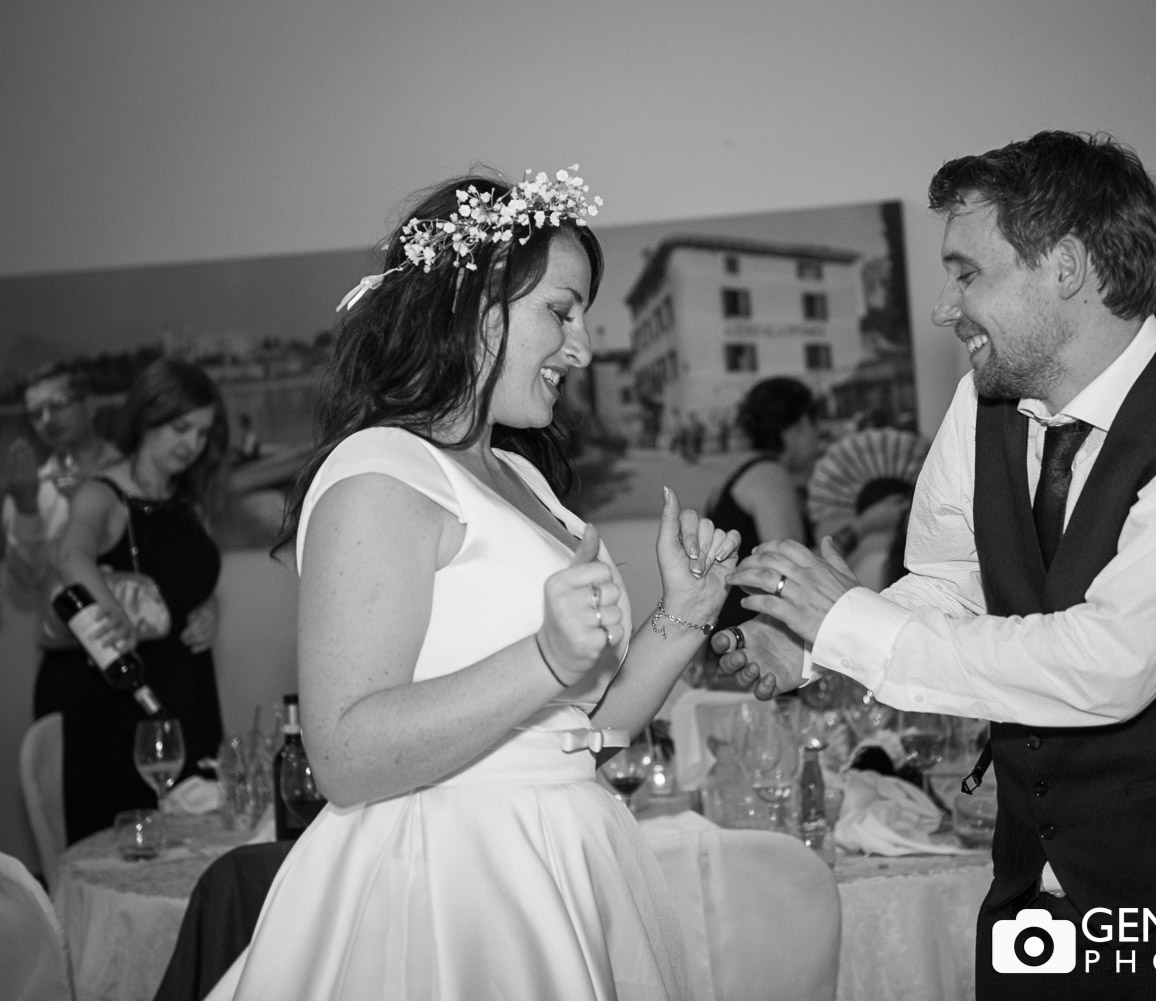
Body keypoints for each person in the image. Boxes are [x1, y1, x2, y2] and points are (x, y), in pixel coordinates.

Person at [718, 131, 1156, 999]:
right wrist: (817, 642)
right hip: (1032, 889)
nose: (944, 307)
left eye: (968, 273)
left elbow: (1112, 663)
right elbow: (951, 579)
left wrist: (848, 622)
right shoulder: (986, 395)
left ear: (1066, 267)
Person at [206, 167, 738, 1001]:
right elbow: (343, 756)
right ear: (475, 305)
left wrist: (684, 615)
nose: (583, 348)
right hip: (447, 882)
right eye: (561, 312)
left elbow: (581, 734)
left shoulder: (526, 482)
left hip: (564, 856)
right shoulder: (379, 471)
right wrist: (545, 658)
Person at [50, 358, 228, 842]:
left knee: (198, 844)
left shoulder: (188, 502)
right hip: (120, 705)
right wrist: (111, 610)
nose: (192, 445)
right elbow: (71, 555)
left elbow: (189, 583)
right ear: (146, 418)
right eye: (180, 428)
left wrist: (209, 611)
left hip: (189, 692)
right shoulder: (102, 492)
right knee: (127, 849)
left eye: (202, 433)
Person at [2, 363, 122, 718]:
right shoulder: (31, 487)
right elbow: (24, 584)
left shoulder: (131, 474)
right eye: (35, 414)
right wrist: (25, 508)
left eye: (58, 404)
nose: (47, 419)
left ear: (90, 405)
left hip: (136, 649)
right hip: (65, 662)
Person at [704, 375, 819, 629]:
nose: (816, 437)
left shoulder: (736, 471)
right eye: (814, 425)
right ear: (798, 425)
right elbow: (794, 573)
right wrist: (860, 529)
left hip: (728, 628)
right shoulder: (770, 476)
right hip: (754, 634)